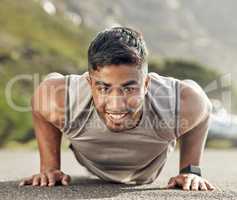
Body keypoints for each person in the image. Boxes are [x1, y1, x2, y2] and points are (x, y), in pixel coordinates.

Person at [19, 27, 215, 191]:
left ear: (146, 84)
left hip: (149, 167)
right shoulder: (60, 98)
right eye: (104, 88)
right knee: (50, 84)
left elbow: (204, 110)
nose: (116, 104)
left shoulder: (180, 102)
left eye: (129, 88)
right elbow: (39, 105)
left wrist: (190, 170)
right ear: (89, 83)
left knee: (193, 92)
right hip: (91, 161)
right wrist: (49, 167)